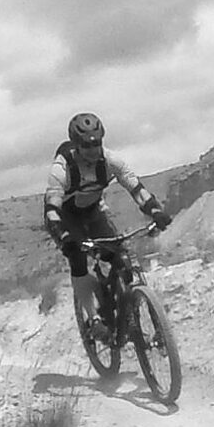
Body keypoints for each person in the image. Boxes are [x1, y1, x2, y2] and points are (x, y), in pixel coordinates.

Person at [41, 112, 171, 333]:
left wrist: (155, 210)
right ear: (76, 145)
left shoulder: (111, 160)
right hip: (66, 218)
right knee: (77, 258)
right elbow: (52, 209)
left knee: (119, 255)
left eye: (97, 144)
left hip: (92, 212)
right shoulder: (61, 169)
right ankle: (92, 319)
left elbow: (135, 187)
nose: (93, 150)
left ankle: (129, 309)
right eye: (86, 145)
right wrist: (64, 236)